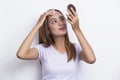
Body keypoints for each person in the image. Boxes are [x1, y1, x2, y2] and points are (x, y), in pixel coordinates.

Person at [16, 8, 96, 80]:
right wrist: (38, 25)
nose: (60, 23)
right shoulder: (42, 50)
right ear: (47, 29)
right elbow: (21, 54)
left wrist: (77, 29)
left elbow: (91, 59)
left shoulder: (75, 49)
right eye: (54, 21)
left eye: (62, 19)